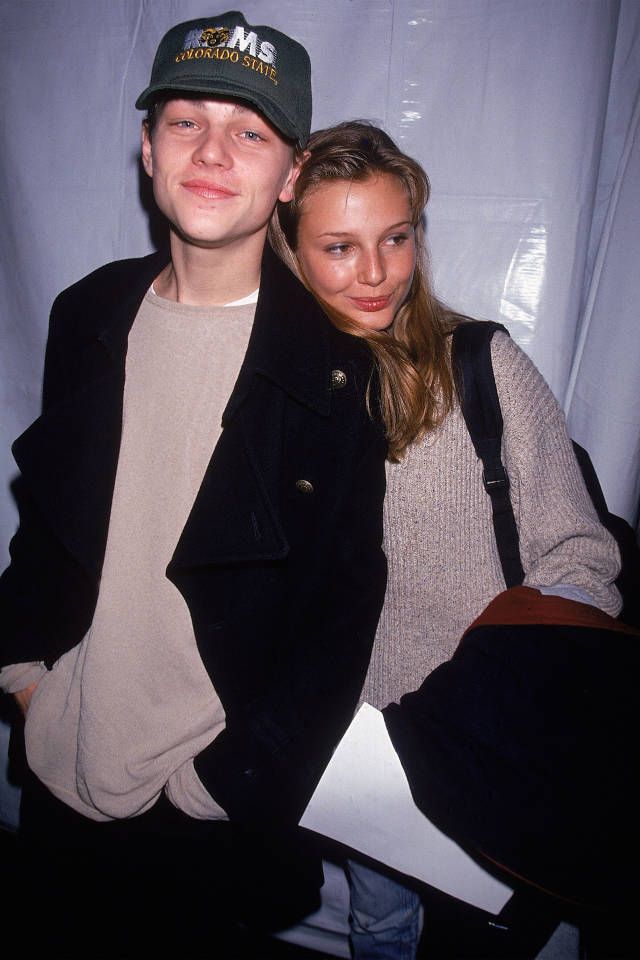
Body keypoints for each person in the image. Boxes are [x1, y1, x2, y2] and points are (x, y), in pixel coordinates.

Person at [0, 19, 388, 957]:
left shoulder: (334, 369)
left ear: (291, 174)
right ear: (146, 147)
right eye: (186, 122)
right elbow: (53, 526)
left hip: (206, 819)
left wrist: (226, 782)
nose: (214, 152)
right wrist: (24, 676)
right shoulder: (88, 312)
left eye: (251, 130)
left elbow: (344, 611)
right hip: (60, 772)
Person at [269, 120, 622, 960]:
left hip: (493, 739)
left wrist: (486, 693)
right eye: (340, 247)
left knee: (515, 936)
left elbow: (585, 555)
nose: (377, 271)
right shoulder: (278, 404)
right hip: (366, 751)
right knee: (381, 927)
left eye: (395, 237)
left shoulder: (482, 366)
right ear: (291, 251)